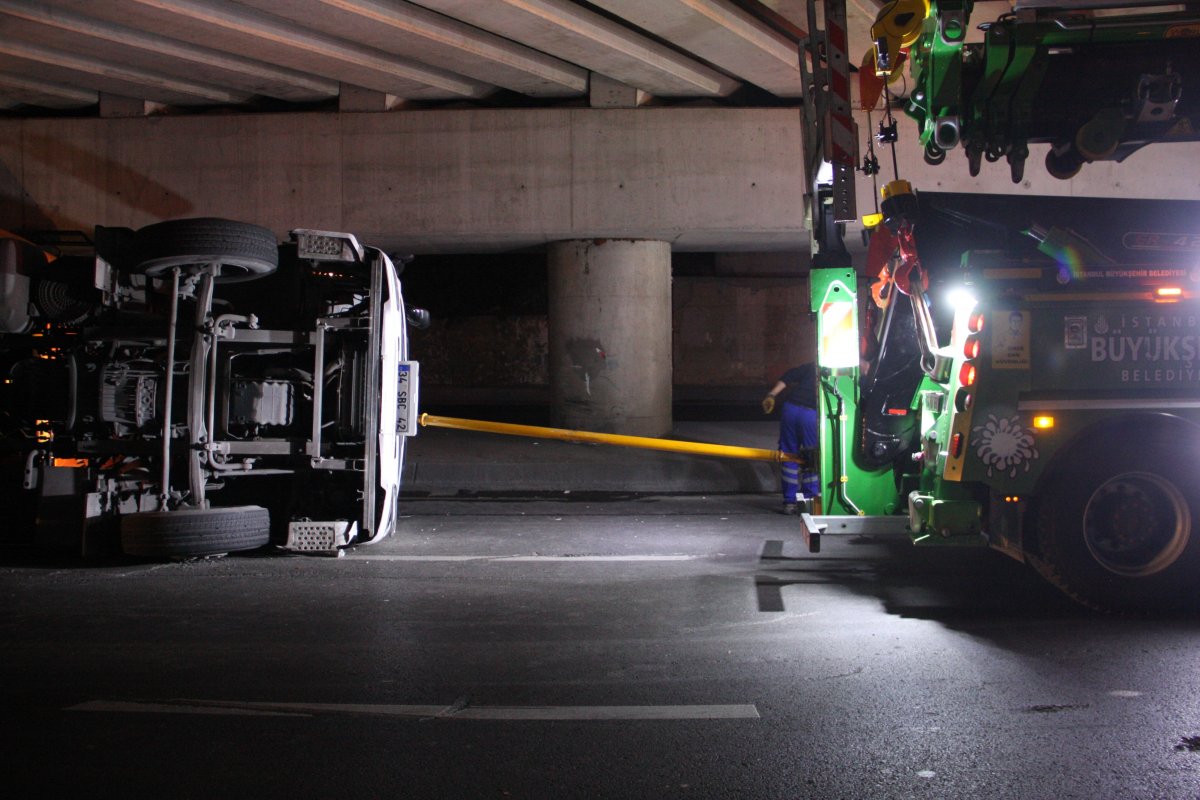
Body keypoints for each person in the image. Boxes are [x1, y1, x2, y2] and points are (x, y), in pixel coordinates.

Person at [762, 363, 820, 514]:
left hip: (790, 408)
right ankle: (808, 501)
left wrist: (771, 395)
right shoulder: (843, 371)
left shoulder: (814, 365)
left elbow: (789, 376)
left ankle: (789, 502)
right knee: (812, 456)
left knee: (788, 454)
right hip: (811, 413)